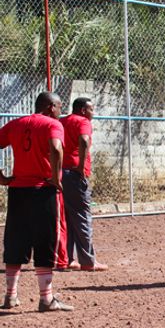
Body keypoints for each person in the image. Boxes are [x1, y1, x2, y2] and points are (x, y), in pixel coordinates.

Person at [0, 92, 75, 312]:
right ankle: (46, 299)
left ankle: (10, 296)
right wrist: (55, 176)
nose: (61, 111)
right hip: (43, 191)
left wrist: (2, 178)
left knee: (15, 241)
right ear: (51, 107)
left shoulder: (16, 124)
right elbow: (56, 148)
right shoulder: (52, 125)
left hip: (17, 191)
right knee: (45, 241)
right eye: (60, 106)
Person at [61, 98, 108, 272]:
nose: (92, 113)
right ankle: (88, 261)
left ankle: (67, 259)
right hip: (74, 174)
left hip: (60, 173)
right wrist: (81, 166)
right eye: (91, 109)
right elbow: (84, 140)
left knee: (67, 217)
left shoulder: (62, 121)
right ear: (82, 110)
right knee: (82, 216)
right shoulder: (83, 122)